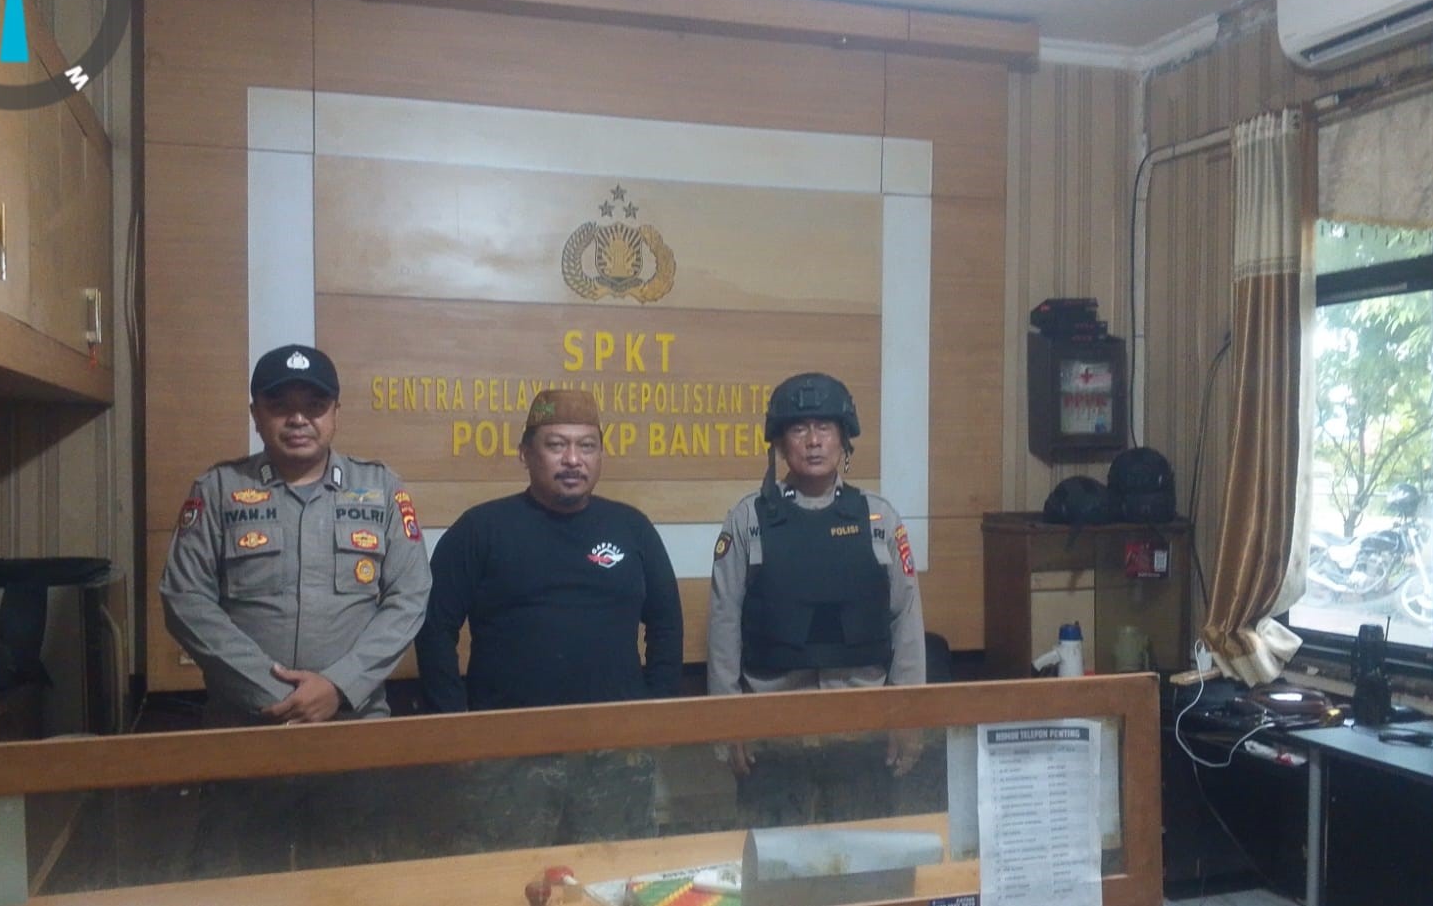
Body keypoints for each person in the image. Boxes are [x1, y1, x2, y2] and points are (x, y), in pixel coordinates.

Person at [415, 388, 683, 846]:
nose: (573, 459)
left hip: (615, 753)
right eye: (556, 445)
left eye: (587, 445)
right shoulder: (480, 530)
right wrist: (455, 728)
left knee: (616, 875)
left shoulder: (631, 528)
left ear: (600, 455)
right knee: (504, 877)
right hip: (507, 753)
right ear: (525, 453)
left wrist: (654, 714)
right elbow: (433, 629)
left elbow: (666, 623)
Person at [161, 343, 431, 725]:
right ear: (256, 414)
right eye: (280, 406)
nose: (298, 419)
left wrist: (339, 686)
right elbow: (185, 599)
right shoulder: (218, 489)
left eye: (315, 406)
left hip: (355, 719)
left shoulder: (381, 488)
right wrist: (275, 694)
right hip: (247, 721)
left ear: (336, 413)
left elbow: (410, 596)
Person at [706, 371, 926, 826]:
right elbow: (724, 621)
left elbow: (906, 619)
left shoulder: (879, 519)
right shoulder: (747, 519)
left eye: (824, 427)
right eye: (799, 428)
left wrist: (910, 715)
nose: (813, 441)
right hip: (773, 731)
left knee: (864, 858)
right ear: (779, 442)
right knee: (775, 860)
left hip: (862, 728)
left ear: (844, 438)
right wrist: (728, 723)